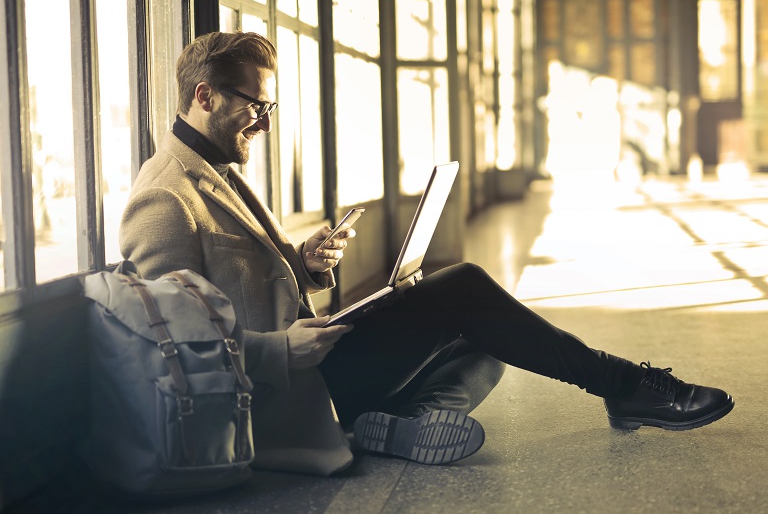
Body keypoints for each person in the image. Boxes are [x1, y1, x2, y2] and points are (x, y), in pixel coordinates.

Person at [120, 31, 734, 473]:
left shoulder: (219, 167)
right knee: (465, 290)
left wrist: (300, 264)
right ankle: (624, 384)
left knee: (490, 340)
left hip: (312, 362)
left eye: (270, 107)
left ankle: (398, 422)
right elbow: (170, 353)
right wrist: (281, 348)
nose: (265, 122)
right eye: (256, 106)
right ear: (204, 96)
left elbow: (239, 286)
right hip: (282, 392)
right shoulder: (164, 198)